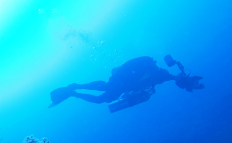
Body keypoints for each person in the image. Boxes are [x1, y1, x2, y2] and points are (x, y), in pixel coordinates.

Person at [49, 55, 204, 112]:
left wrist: (188, 81)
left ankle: (75, 87)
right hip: (122, 82)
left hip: (122, 82)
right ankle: (73, 91)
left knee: (104, 88)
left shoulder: (162, 75)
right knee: (101, 98)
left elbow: (174, 78)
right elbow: (173, 78)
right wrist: (188, 81)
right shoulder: (161, 74)